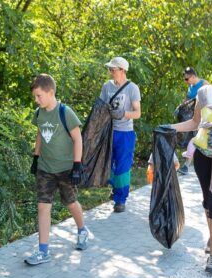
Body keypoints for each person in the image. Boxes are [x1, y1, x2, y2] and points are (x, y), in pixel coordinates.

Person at [161, 49, 212, 274]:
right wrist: (169, 128)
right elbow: (194, 123)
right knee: (207, 201)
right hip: (203, 154)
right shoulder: (203, 93)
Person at [24, 74, 89, 266]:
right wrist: (36, 157)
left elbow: (78, 138)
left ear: (50, 92)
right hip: (46, 168)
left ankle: (82, 230)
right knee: (43, 206)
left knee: (70, 202)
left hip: (65, 168)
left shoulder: (65, 112)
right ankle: (43, 251)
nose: (36, 100)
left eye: (38, 96)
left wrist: (77, 165)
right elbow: (39, 135)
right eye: (35, 97)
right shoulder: (39, 113)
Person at [99, 57, 141, 213]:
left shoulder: (132, 88)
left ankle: (120, 200)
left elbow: (138, 113)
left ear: (122, 70)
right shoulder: (107, 87)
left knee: (123, 167)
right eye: (109, 69)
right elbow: (100, 107)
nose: (110, 72)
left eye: (113, 69)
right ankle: (116, 187)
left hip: (125, 133)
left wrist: (123, 113)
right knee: (108, 164)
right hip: (109, 132)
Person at [177, 67, 209, 175]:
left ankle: (205, 163)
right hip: (191, 117)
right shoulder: (191, 86)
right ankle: (186, 166)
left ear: (193, 76)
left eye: (187, 79)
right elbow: (187, 99)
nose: (185, 81)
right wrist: (180, 107)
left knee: (198, 139)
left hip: (202, 117)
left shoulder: (204, 84)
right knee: (192, 140)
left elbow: (208, 102)